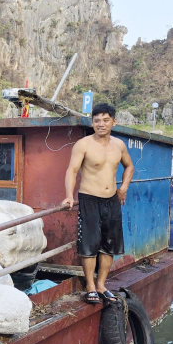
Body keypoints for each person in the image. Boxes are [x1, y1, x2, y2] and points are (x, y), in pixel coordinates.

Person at [62, 103, 134, 305]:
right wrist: (69, 195)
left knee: (109, 246)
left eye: (105, 120)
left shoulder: (119, 145)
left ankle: (102, 285)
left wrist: (123, 188)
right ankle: (90, 286)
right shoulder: (83, 144)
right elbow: (72, 171)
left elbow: (129, 166)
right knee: (89, 245)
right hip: (89, 199)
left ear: (113, 121)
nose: (100, 124)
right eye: (96, 121)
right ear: (92, 122)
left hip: (111, 200)